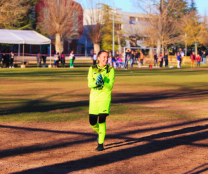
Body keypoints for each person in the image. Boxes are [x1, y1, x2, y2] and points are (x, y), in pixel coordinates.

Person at [88, 50, 115, 151]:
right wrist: (96, 83)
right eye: (103, 57)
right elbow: (89, 84)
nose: (106, 59)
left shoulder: (110, 70)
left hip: (105, 98)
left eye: (107, 57)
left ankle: (100, 144)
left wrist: (103, 82)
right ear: (98, 58)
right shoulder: (92, 68)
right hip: (94, 98)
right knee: (92, 122)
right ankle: (101, 133)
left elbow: (110, 86)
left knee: (102, 119)